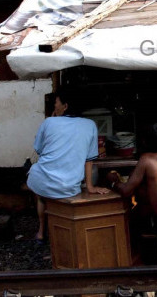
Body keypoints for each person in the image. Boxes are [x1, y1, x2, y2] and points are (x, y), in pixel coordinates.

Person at [27, 87, 109, 242]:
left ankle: (41, 232)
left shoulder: (49, 122)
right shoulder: (90, 125)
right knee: (55, 195)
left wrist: (52, 120)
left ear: (65, 106)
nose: (54, 106)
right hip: (69, 187)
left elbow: (38, 149)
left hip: (42, 181)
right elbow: (89, 159)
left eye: (57, 102)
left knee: (41, 197)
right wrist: (90, 187)